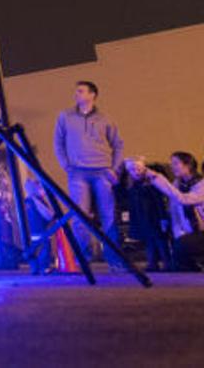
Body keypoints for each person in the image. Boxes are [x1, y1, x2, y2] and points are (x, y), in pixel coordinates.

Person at [53, 80, 124, 267]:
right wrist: (65, 165)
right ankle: (82, 258)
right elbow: (58, 142)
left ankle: (114, 259)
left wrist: (114, 168)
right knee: (79, 216)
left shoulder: (105, 118)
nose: (76, 94)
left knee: (108, 216)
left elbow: (118, 145)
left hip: (103, 172)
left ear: (92, 95)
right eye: (76, 91)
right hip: (78, 173)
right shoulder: (65, 116)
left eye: (81, 91)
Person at [144, 152, 204, 271]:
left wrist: (157, 177)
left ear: (188, 165)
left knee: (183, 245)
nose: (172, 167)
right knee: (178, 253)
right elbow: (174, 210)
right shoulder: (178, 184)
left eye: (176, 163)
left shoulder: (201, 185)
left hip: (201, 232)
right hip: (187, 232)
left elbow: (184, 199)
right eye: (171, 163)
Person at [123, 160, 173, 271]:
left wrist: (163, 218)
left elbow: (159, 202)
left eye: (138, 169)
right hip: (143, 219)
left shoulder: (151, 185)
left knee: (160, 240)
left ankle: (167, 263)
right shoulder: (132, 187)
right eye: (133, 170)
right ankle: (153, 263)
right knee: (150, 241)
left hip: (154, 218)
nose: (136, 172)